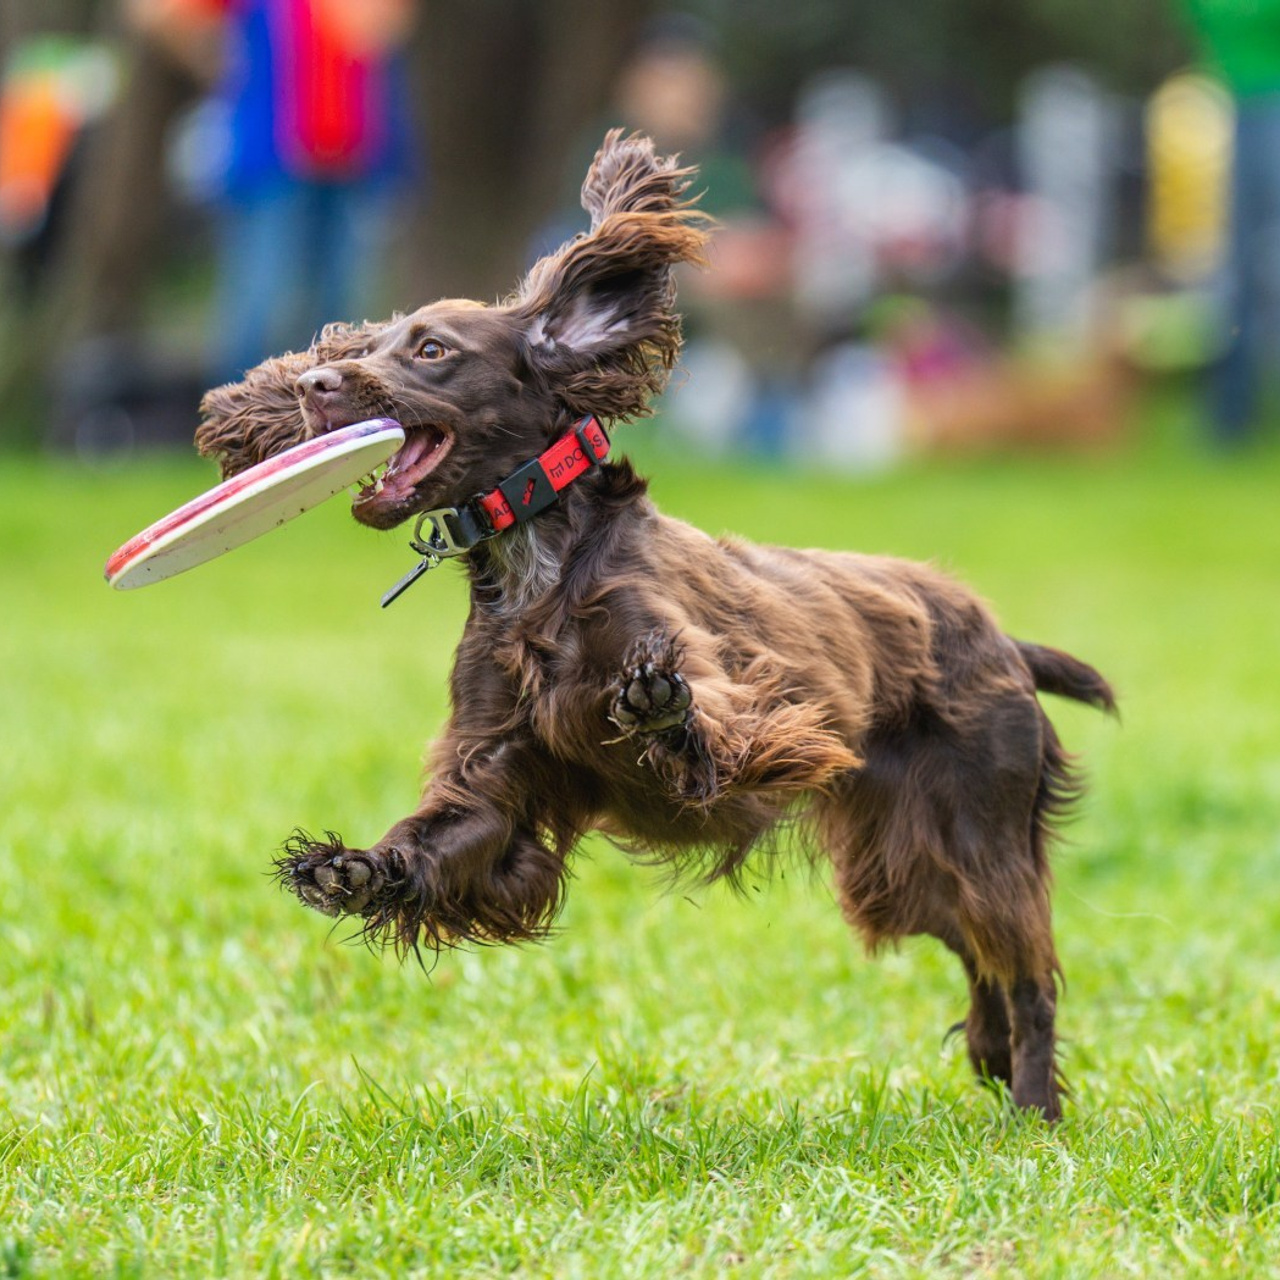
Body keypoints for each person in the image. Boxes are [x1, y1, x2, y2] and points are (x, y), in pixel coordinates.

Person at [135, 0, 418, 382]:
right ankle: (236, 424)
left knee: (342, 311)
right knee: (263, 301)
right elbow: (154, 13)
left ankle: (331, 430)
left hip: (355, 153)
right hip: (271, 156)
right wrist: (211, 53)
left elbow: (381, 27)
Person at [1183, 0, 1280, 443]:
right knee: (1244, 269)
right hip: (1239, 109)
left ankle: (1231, 418)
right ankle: (1231, 418)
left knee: (1254, 267)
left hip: (1255, 110)